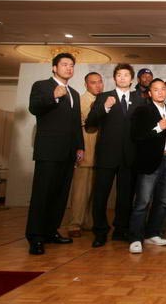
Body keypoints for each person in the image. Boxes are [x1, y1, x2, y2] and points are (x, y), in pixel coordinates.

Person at [26, 53, 84, 255]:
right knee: (42, 195)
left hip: (68, 153)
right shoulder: (42, 86)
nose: (69, 68)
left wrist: (80, 147)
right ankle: (35, 237)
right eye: (65, 64)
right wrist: (53, 96)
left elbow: (76, 124)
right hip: (48, 151)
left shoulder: (74, 94)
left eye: (71, 65)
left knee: (60, 195)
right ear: (54, 67)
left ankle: (51, 231)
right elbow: (34, 108)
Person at [86, 63, 145, 248]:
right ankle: (100, 231)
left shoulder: (139, 99)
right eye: (119, 75)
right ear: (114, 78)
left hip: (130, 157)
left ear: (131, 78)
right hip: (106, 155)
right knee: (101, 195)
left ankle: (121, 229)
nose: (122, 78)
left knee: (125, 197)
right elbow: (90, 122)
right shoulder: (104, 97)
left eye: (126, 75)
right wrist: (105, 108)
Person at [128, 79, 166, 254]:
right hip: (149, 162)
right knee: (142, 201)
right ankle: (135, 237)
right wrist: (158, 127)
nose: (161, 92)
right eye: (156, 90)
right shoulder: (143, 110)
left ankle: (152, 233)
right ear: (150, 93)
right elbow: (136, 136)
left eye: (163, 89)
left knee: (163, 201)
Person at [67, 72, 103, 238]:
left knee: (94, 191)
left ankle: (88, 221)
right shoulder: (82, 101)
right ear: (86, 84)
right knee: (80, 191)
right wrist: (77, 149)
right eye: (93, 82)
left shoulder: (102, 100)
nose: (98, 85)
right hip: (86, 151)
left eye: (100, 82)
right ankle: (74, 224)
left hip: (99, 153)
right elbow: (78, 127)